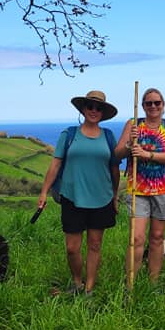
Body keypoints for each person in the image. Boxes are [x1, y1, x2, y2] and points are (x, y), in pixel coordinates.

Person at [37, 90, 120, 295]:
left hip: (102, 198)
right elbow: (55, 165)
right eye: (90, 106)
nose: (94, 110)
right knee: (72, 248)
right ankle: (76, 282)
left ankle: (89, 289)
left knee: (95, 245)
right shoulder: (69, 134)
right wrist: (43, 192)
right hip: (72, 196)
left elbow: (115, 169)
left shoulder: (108, 136)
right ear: (83, 109)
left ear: (102, 112)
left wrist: (115, 196)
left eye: (98, 108)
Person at [115, 87, 165, 282]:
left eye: (157, 103)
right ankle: (130, 284)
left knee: (157, 237)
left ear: (163, 106)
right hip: (139, 189)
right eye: (149, 103)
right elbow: (117, 154)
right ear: (142, 106)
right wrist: (129, 144)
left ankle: (153, 282)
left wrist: (146, 154)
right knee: (136, 238)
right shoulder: (133, 124)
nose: (153, 106)